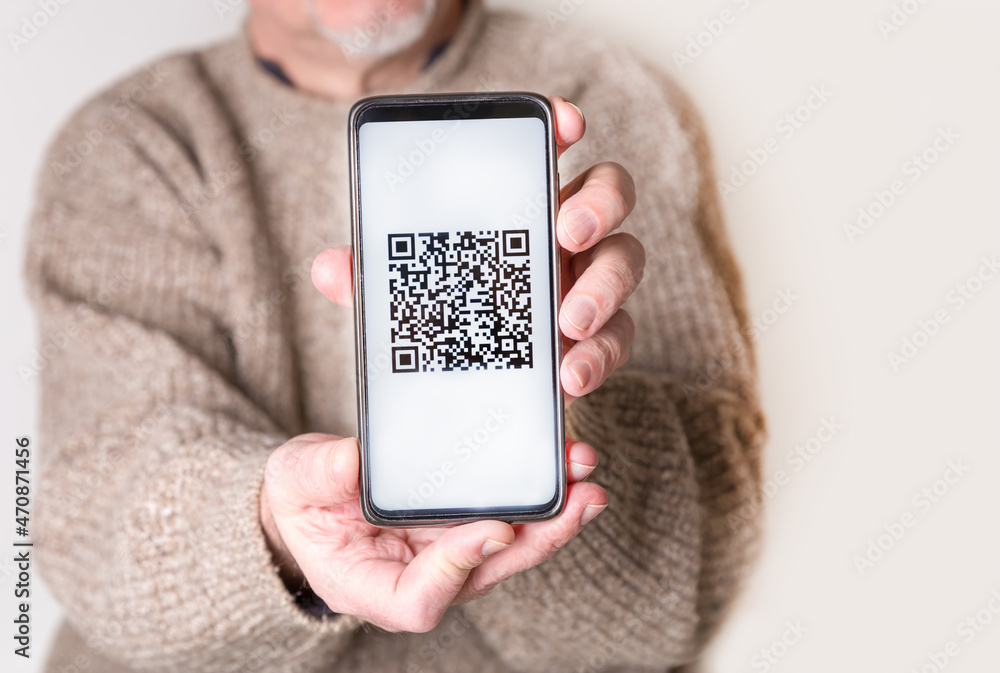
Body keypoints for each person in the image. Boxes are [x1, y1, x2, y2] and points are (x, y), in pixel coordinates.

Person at [24, 0, 765, 671]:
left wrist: (545, 414)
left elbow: (690, 587)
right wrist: (277, 533)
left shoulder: (597, 90)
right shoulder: (135, 138)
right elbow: (94, 516)